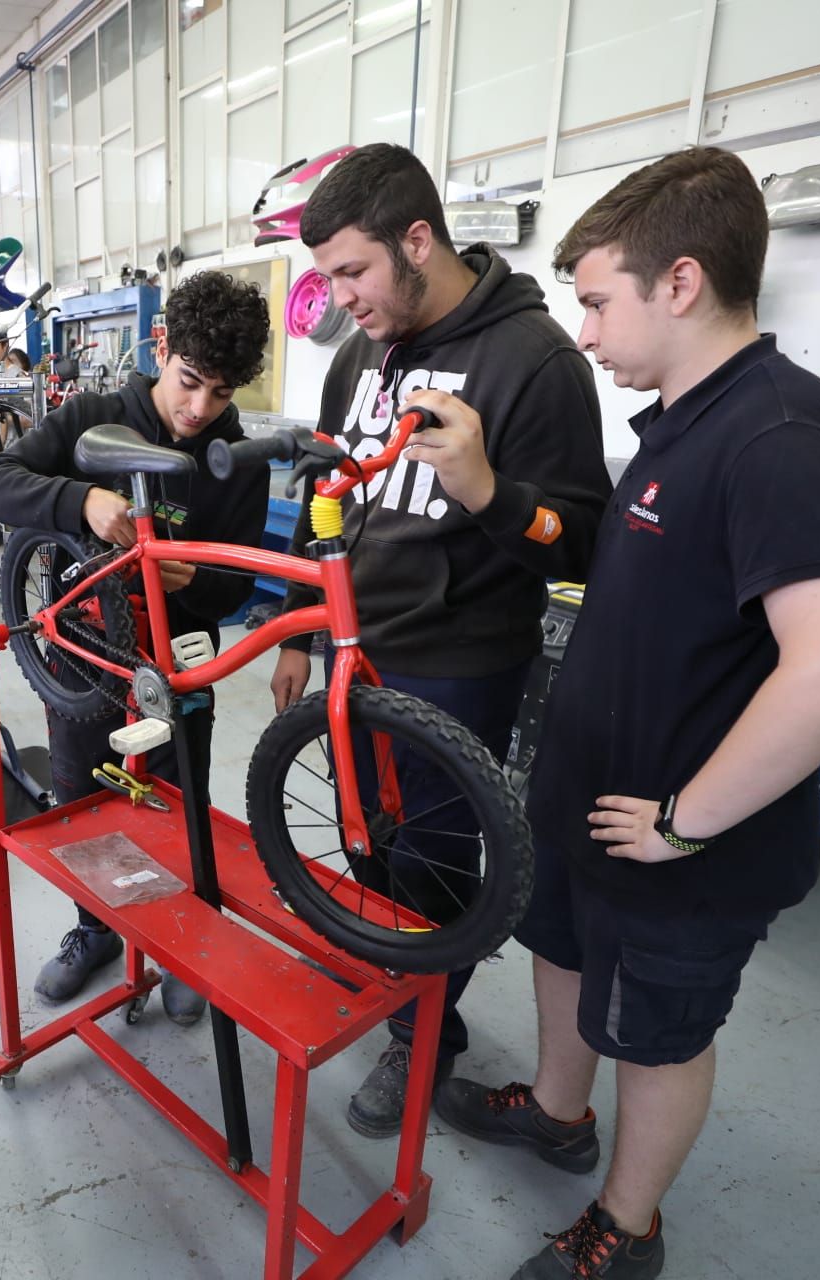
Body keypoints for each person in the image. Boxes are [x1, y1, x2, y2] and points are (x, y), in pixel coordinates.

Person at [434, 147, 820, 1280]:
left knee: (656, 1031)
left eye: (597, 301)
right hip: (595, 806)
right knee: (560, 949)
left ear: (680, 282)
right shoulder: (683, 420)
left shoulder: (779, 433)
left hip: (682, 844)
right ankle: (555, 1107)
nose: (584, 333)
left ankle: (628, 1225)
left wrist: (689, 818)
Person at [271, 142, 613, 1139]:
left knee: (430, 859)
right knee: (364, 839)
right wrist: (300, 621)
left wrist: (493, 495)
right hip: (350, 645)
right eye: (326, 277)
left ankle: (427, 1027)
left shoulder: (535, 361)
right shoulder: (358, 355)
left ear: (418, 239)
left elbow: (578, 541)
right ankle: (386, 975)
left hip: (458, 661)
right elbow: (329, 490)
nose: (340, 300)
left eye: (353, 272)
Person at [0, 269, 271, 1026]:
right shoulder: (94, 419)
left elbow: (236, 589)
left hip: (178, 663)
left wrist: (192, 576)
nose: (200, 409)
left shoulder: (235, 460)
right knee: (83, 800)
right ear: (161, 347)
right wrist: (81, 499)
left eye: (222, 394)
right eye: (190, 381)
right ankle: (96, 929)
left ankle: (179, 946)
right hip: (81, 660)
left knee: (178, 807)